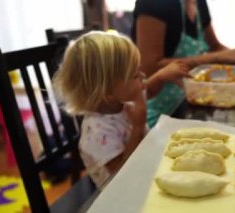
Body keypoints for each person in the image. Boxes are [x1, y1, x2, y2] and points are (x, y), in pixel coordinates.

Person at [52, 31, 189, 189]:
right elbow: (122, 177)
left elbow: (145, 88)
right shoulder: (97, 134)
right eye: (135, 74)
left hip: (147, 174)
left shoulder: (120, 102)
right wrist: (138, 128)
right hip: (122, 196)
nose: (143, 76)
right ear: (108, 92)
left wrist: (161, 76)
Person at [132, 0, 235, 127]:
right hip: (158, 114)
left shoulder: (198, 2)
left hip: (192, 102)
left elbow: (215, 47)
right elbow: (149, 68)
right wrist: (216, 58)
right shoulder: (154, 3)